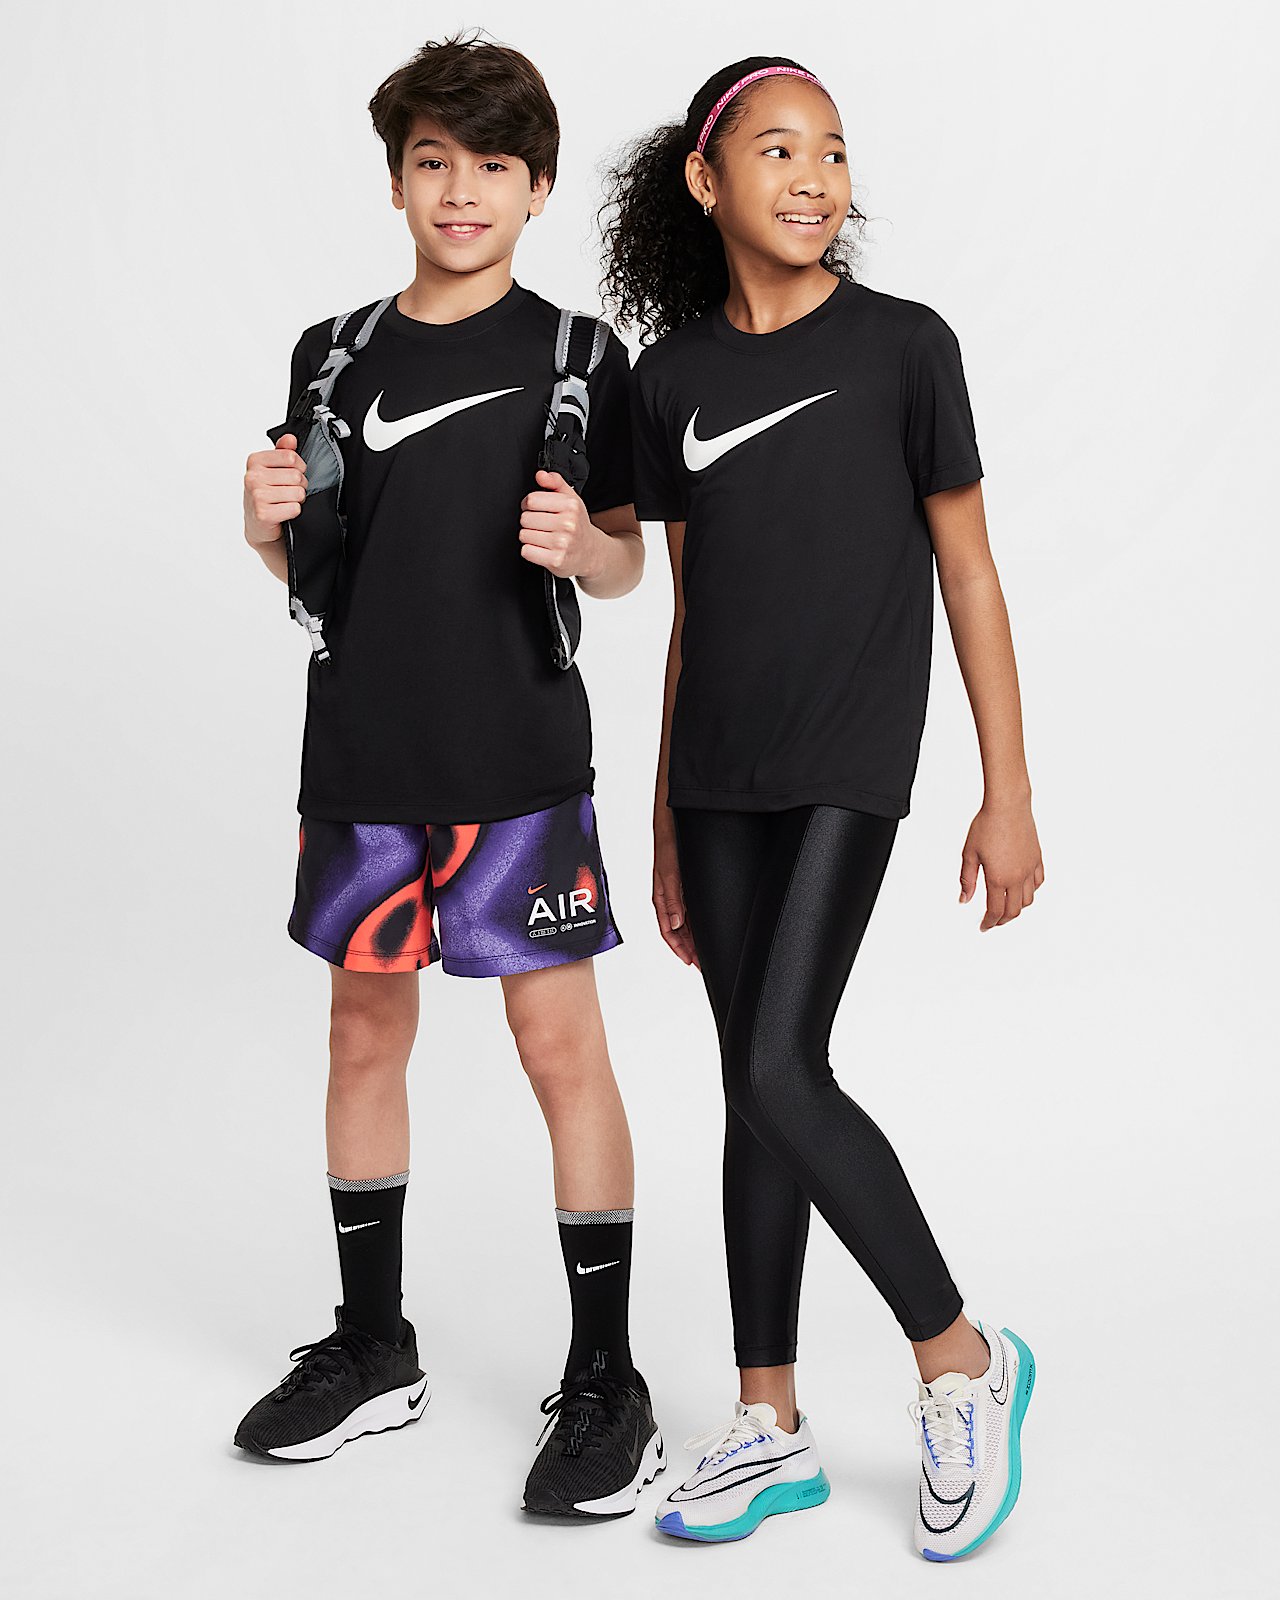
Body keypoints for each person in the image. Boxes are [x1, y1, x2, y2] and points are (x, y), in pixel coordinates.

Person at [602, 57, 1040, 1558]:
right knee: (751, 1082)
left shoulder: (907, 347)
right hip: (718, 769)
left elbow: (970, 571)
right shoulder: (670, 381)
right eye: (780, 151)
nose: (814, 178)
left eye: (834, 153)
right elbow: (685, 610)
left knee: (782, 1067)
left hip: (850, 754)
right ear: (704, 179)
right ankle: (769, 1419)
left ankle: (962, 1359)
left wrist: (1007, 792)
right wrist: (665, 814)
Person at [234, 36, 664, 1520]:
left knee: (561, 1051)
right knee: (364, 1036)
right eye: (432, 162)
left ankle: (605, 1376)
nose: (460, 190)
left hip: (519, 759)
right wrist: (263, 526)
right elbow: (322, 569)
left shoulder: (581, 357)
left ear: (537, 188)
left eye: (491, 165)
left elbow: (626, 562)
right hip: (362, 759)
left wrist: (587, 549)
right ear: (397, 182)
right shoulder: (333, 353)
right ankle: (374, 1344)